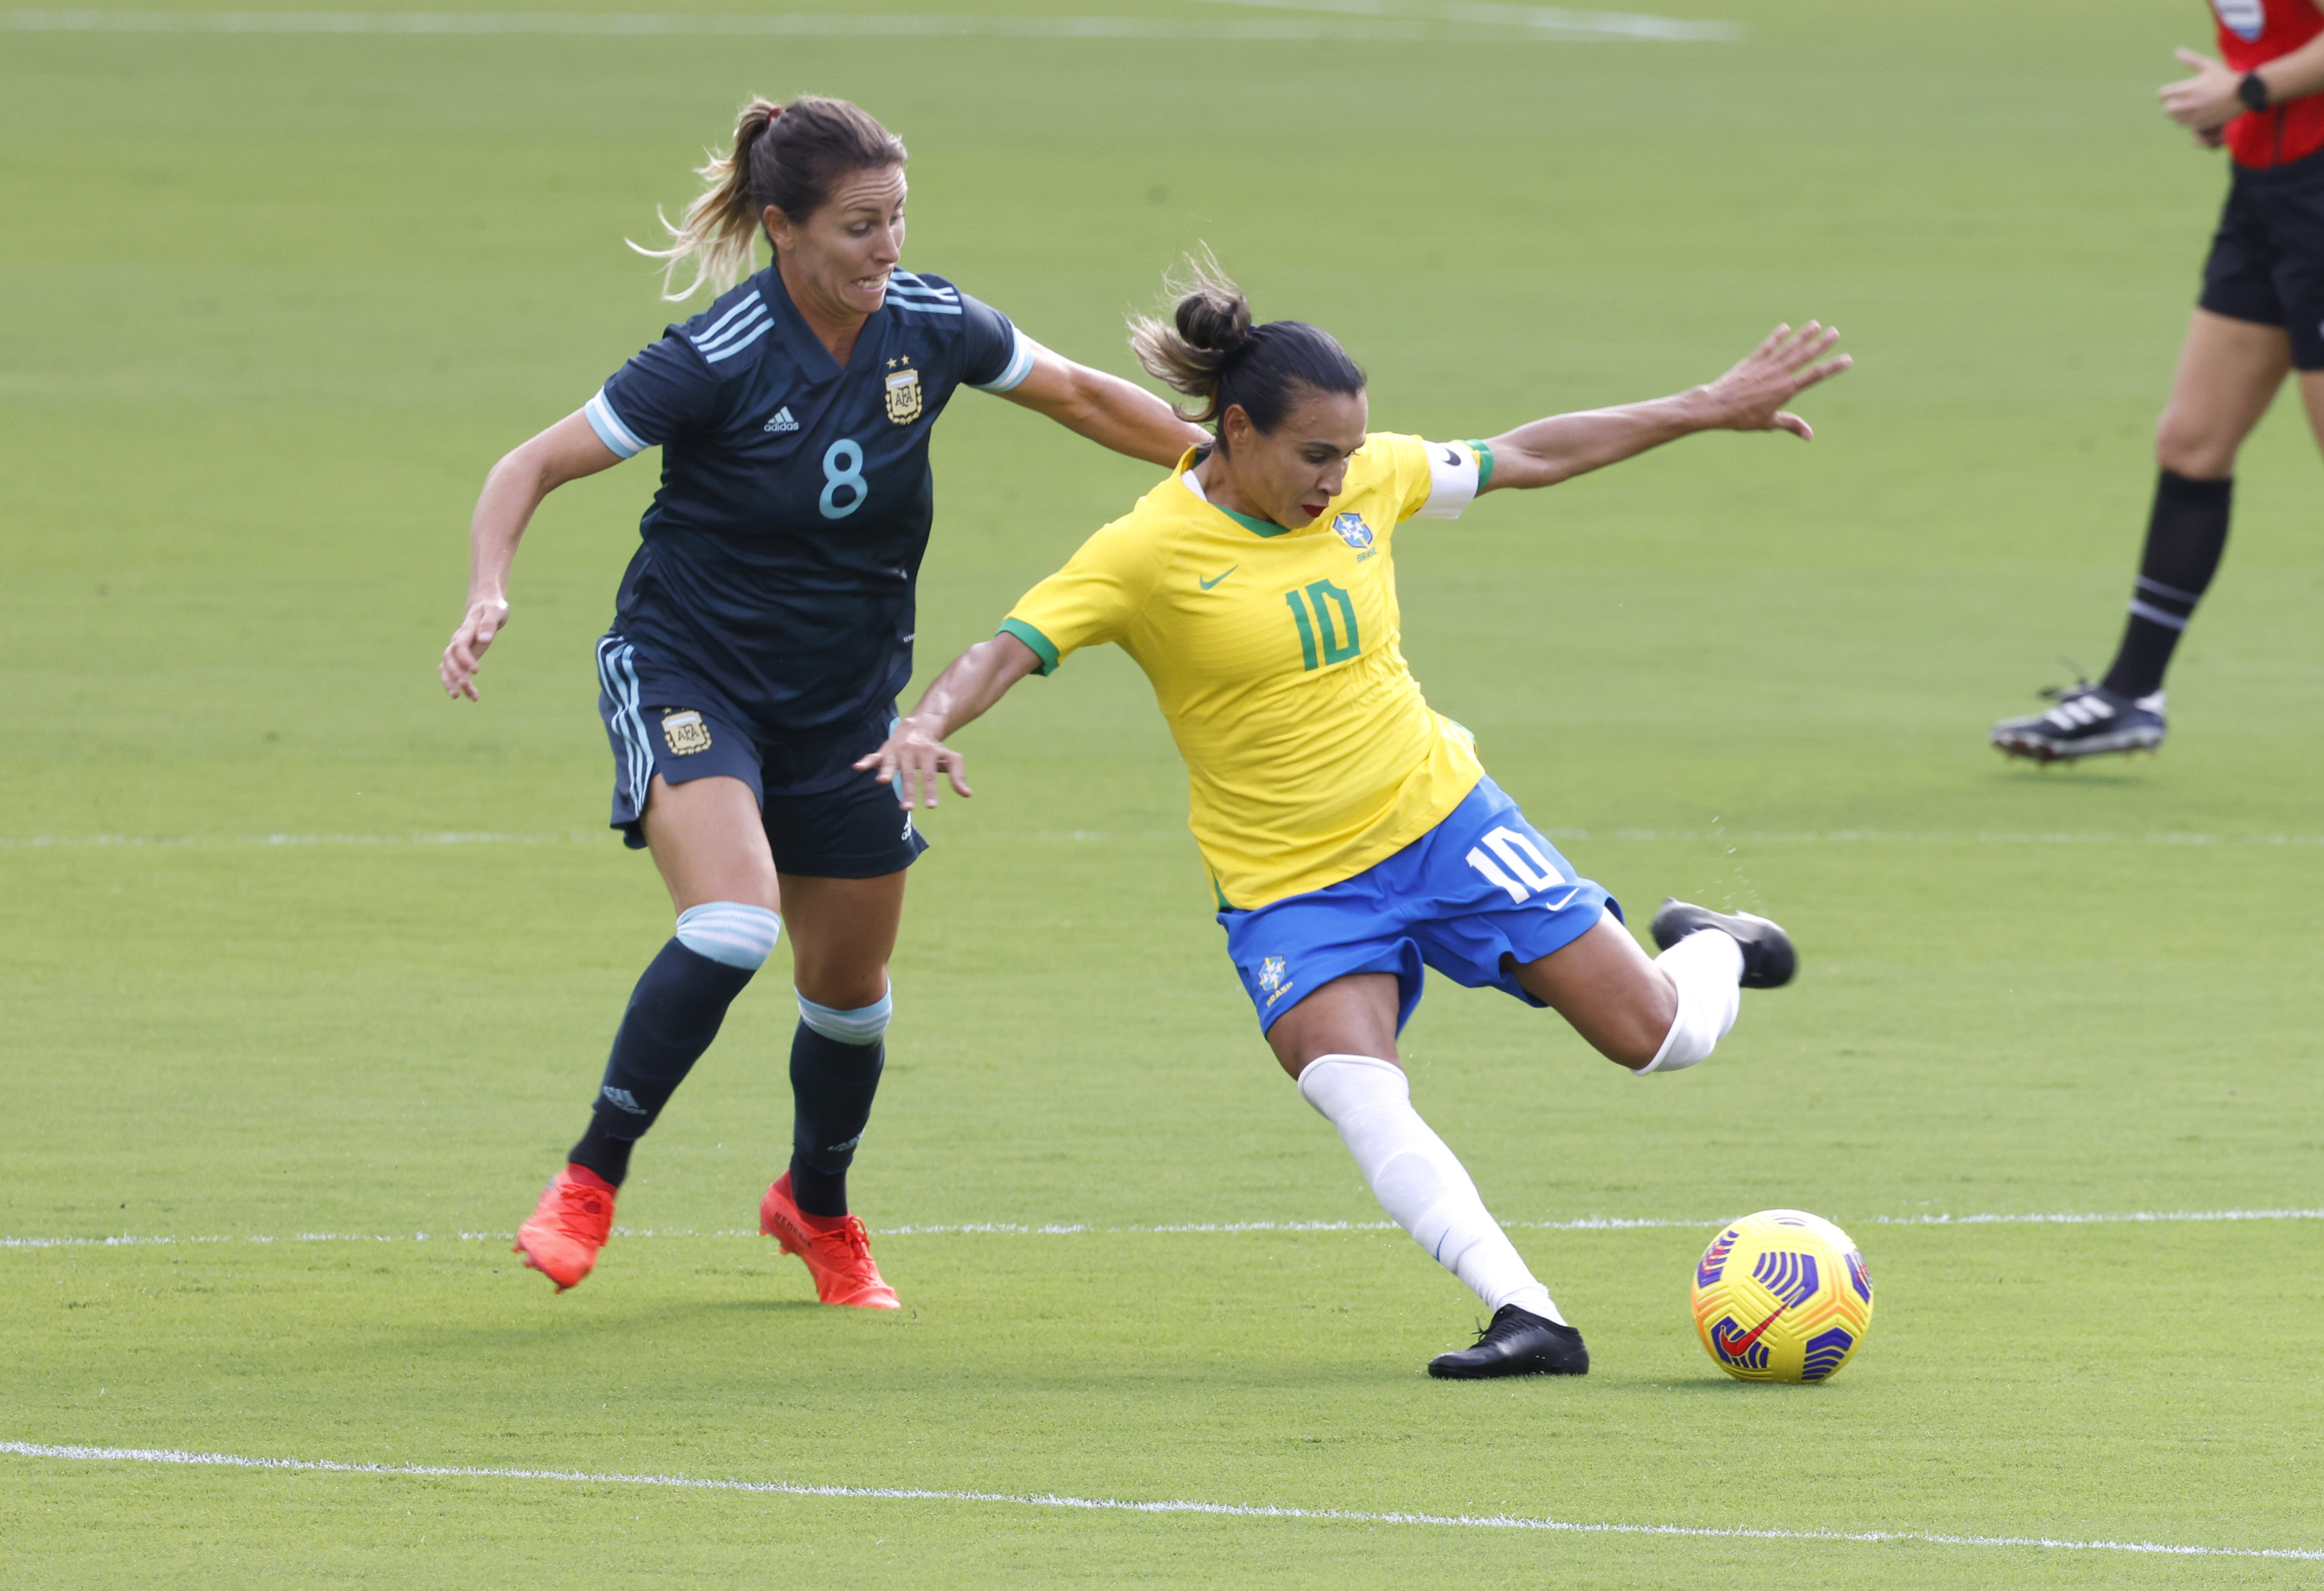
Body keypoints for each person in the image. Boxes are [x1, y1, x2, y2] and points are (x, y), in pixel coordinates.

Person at [859, 261, 1849, 1377]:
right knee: (1350, 1082)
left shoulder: (1371, 480)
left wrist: (1702, 407)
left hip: (1441, 819)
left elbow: (1525, 454)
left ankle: (1715, 941)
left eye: (1349, 452)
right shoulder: (1143, 551)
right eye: (1313, 454)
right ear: (1234, 430)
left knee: (1659, 1038)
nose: (1339, 477)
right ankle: (1528, 1314)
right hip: (1291, 887)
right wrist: (925, 719)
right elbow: (1009, 644)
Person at [438, 97, 1205, 1304]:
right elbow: (528, 464)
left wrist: (1212, 464)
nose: (887, 249)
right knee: (732, 925)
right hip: (690, 670)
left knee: (848, 1002)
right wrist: (489, 587)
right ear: (781, 227)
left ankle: (816, 1205)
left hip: (846, 705)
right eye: (859, 227)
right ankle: (590, 1177)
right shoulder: (713, 356)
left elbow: (1082, 396)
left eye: (897, 219)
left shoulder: (928, 323)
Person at [1992, 4, 2324, 762]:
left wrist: (2247, 91)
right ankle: (2131, 693)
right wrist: (2237, 106)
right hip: (2268, 192)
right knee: (2191, 443)